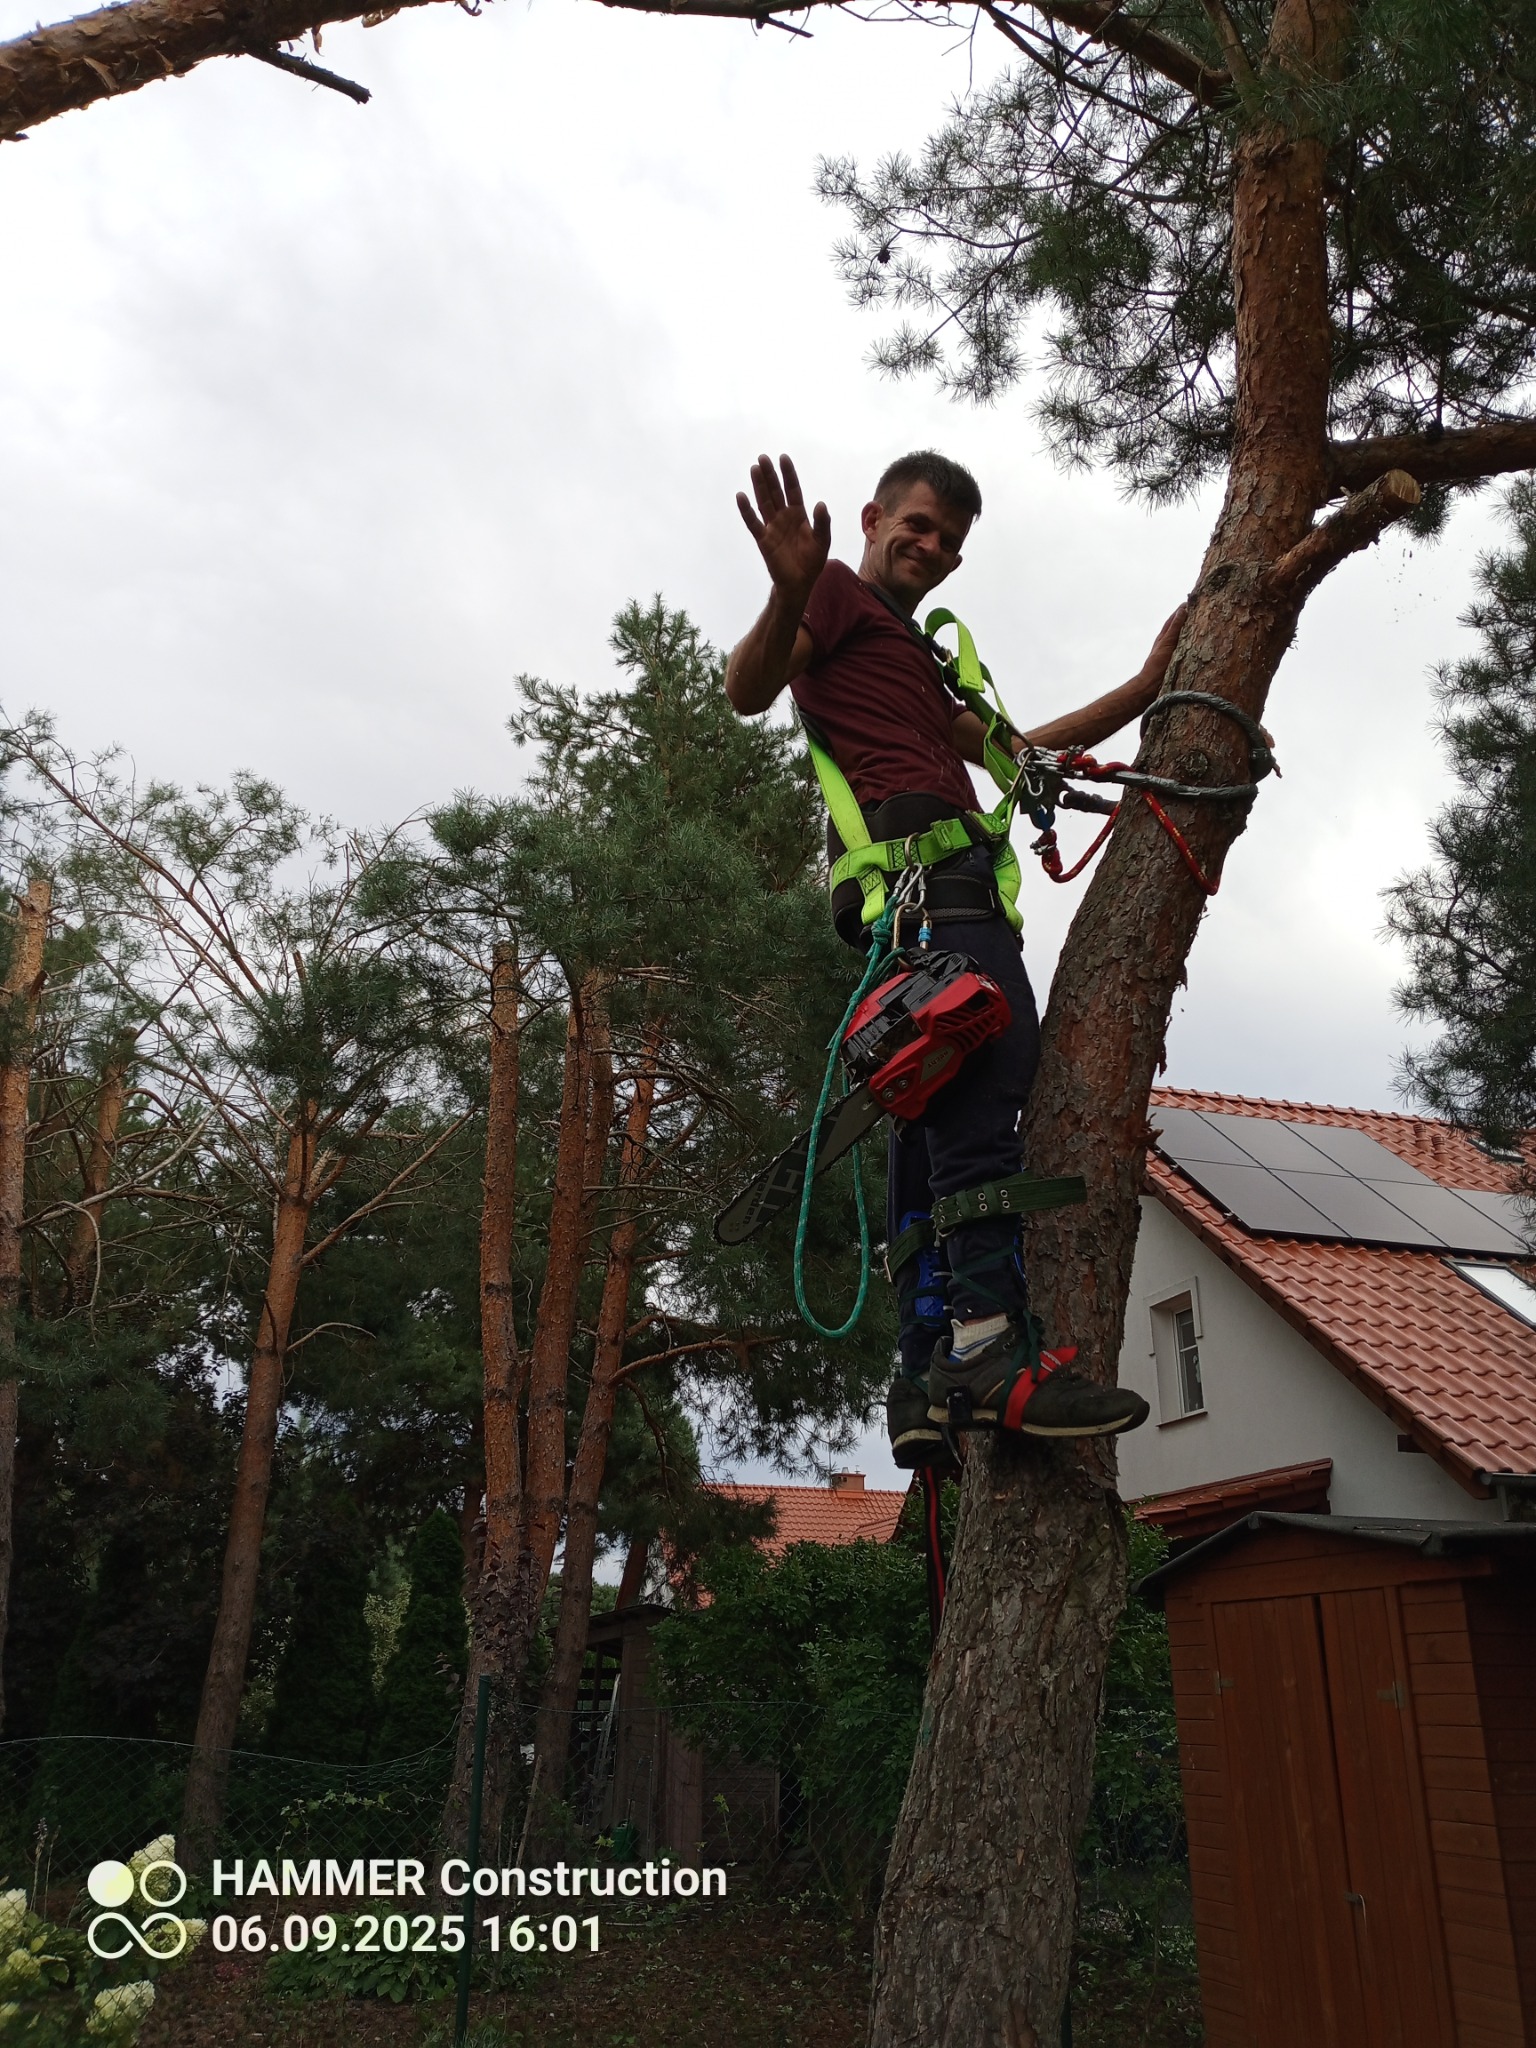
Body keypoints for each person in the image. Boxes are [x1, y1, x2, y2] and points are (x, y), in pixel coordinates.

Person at [725, 449, 1185, 1468]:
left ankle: (924, 1368)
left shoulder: (919, 658)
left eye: (948, 542)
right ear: (872, 517)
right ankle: (986, 1348)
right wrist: (789, 587)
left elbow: (1017, 751)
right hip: (930, 887)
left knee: (934, 1100)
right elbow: (747, 687)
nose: (930, 548)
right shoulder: (833, 594)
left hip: (940, 890)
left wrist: (1147, 686)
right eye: (918, 525)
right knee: (984, 1081)